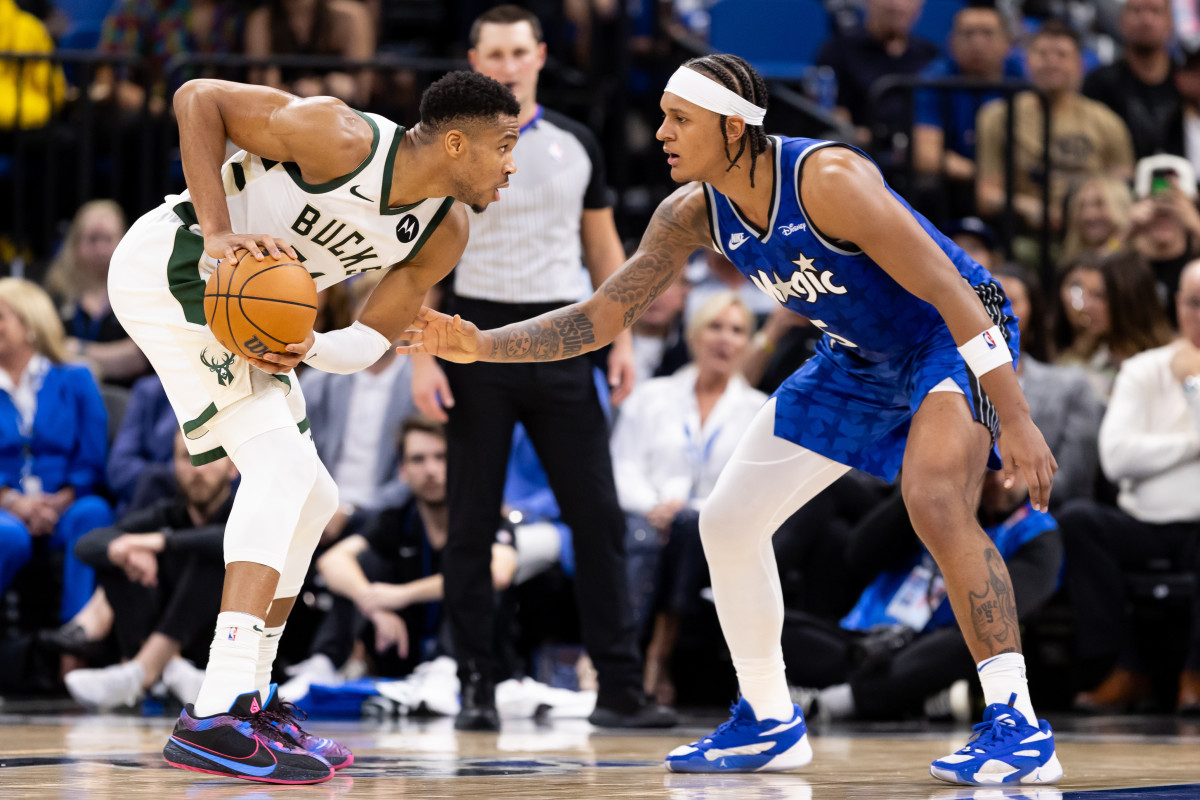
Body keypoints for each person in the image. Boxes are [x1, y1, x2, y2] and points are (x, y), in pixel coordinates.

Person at [402, 53, 1063, 785]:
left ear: (732, 126)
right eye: (662, 117)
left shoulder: (828, 179)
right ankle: (770, 718)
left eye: (678, 119)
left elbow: (952, 290)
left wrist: (1015, 415)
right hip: (855, 358)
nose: (660, 133)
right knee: (726, 522)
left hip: (951, 333)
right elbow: (601, 317)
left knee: (934, 499)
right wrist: (480, 345)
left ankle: (1018, 723)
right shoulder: (691, 212)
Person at [106, 71, 519, 784]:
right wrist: (219, 234)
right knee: (282, 472)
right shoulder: (340, 137)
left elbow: (370, 339)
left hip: (240, 314)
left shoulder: (444, 230)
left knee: (315, 497)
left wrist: (310, 347)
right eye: (505, 145)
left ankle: (252, 698)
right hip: (173, 268)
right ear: (456, 143)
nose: (512, 164)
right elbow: (196, 99)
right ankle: (218, 706)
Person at [408, 5, 671, 732]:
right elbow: (418, 257)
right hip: (472, 338)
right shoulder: (448, 146)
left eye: (519, 52)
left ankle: (619, 688)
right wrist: (422, 359)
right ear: (474, 61)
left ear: (541, 56)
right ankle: (476, 685)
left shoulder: (575, 143)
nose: (508, 65)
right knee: (469, 524)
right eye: (494, 54)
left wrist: (621, 342)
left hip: (564, 338)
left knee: (598, 518)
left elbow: (604, 252)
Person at [787, 471, 1062, 722]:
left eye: (1010, 468)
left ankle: (848, 698)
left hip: (929, 650)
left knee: (978, 638)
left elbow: (999, 613)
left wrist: (965, 529)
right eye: (989, 467)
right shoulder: (933, 503)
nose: (999, 478)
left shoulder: (1038, 533)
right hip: (862, 644)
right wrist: (919, 489)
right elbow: (858, 557)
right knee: (778, 626)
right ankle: (911, 700)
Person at [285, 415, 517, 695]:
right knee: (362, 565)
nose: (430, 469)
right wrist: (372, 603)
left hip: (479, 666)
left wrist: (402, 594)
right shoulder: (396, 517)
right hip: (404, 659)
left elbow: (498, 573)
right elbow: (331, 561)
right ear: (403, 470)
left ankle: (446, 667)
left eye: (441, 457)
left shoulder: (485, 515)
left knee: (479, 576)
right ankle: (322, 666)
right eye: (418, 459)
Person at [1057, 258, 1200, 715]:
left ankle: (1195, 673)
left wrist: (1192, 386)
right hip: (1144, 522)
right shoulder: (1143, 369)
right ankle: (1122, 667)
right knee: (1079, 520)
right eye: (1194, 303)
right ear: (1177, 304)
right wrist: (1193, 445)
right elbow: (1116, 458)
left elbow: (1135, 454)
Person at [610, 292, 766, 705]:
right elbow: (623, 465)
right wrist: (653, 506)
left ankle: (655, 656)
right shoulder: (652, 395)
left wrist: (691, 510)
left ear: (747, 343)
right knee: (645, 537)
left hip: (711, 524)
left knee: (689, 530)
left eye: (737, 331)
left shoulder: (757, 410)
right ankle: (624, 659)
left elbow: (749, 487)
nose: (725, 339)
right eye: (715, 327)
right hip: (644, 515)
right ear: (695, 335)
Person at [64, 433, 237, 713]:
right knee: (122, 556)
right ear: (173, 466)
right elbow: (87, 545)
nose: (197, 468)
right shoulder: (165, 514)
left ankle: (141, 673)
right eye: (187, 457)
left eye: (210, 457)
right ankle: (168, 669)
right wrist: (125, 550)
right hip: (160, 638)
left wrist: (158, 541)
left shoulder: (244, 513)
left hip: (222, 648)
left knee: (221, 553)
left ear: (233, 467)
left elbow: (230, 539)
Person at [0, 279, 113, 624]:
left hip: (64, 504)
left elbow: (92, 455)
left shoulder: (76, 378)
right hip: (4, 507)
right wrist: (12, 501)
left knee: (92, 512)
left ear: (30, 324)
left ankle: (76, 640)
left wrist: (61, 499)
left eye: (1, 317)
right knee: (8, 535)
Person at [976, 21, 1133, 233]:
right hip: (1024, 233)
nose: (1051, 62)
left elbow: (1123, 192)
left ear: (1080, 64)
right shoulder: (998, 116)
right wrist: (1028, 206)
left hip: (1089, 232)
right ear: (1026, 62)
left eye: (1061, 55)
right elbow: (986, 196)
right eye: (1042, 54)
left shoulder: (1106, 121)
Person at [913, 5, 1018, 210]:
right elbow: (926, 155)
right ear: (952, 42)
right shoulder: (934, 79)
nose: (977, 42)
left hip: (1014, 184)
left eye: (987, 33)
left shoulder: (1022, 78)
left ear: (1007, 43)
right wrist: (980, 175)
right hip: (957, 186)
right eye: (968, 34)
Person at [44, 200, 150, 387]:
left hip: (129, 395)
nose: (100, 249)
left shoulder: (140, 290)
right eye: (92, 239)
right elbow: (45, 351)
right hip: (67, 394)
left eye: (108, 239)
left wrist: (78, 349)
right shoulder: (56, 291)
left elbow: (140, 357)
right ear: (75, 244)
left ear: (124, 240)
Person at [1082, 0, 1182, 162]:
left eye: (1155, 11)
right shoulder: (1099, 83)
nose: (1146, 19)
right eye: (1136, 11)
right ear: (1120, 22)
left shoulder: (1187, 82)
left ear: (1171, 24)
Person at [244, 0, 376, 108]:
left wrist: (324, 87)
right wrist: (295, 91)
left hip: (341, 116)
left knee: (340, 85)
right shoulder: (262, 20)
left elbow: (362, 93)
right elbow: (258, 92)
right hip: (283, 115)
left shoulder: (349, 17)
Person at [1060, 176, 1133, 264]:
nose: (1087, 215)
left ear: (1119, 208)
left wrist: (1123, 236)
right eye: (1082, 206)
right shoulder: (1072, 260)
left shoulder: (1137, 258)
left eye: (1099, 204)